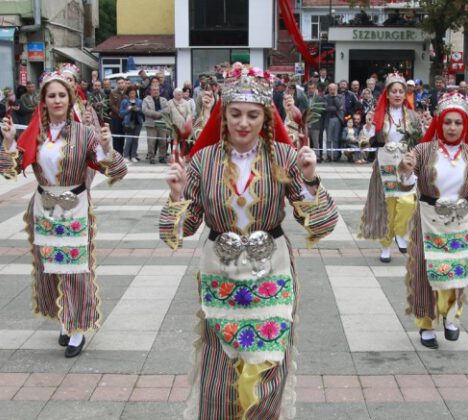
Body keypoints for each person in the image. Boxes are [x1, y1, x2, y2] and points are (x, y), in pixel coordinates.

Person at [160, 63, 337, 419]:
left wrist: (311, 179)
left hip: (271, 268)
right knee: (218, 367)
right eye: (236, 114)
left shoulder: (284, 158)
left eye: (252, 115)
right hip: (219, 271)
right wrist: (177, 196)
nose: (243, 123)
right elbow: (180, 231)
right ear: (223, 118)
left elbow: (321, 223)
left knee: (270, 364)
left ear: (266, 118)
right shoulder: (203, 162)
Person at [0, 71, 128, 357]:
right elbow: (8, 169)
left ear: (71, 100)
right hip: (43, 209)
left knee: (76, 268)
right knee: (52, 268)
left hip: (74, 209)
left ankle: (77, 327)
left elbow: (114, 170)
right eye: (51, 96)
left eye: (62, 95)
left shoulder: (84, 134)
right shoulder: (35, 133)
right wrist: (8, 142)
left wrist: (107, 148)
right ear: (43, 101)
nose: (57, 100)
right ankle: (65, 318)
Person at [398, 92, 468, 349]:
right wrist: (405, 171)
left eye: (458, 123)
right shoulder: (423, 150)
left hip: (461, 221)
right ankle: (427, 324)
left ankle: (451, 317)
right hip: (428, 219)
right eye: (447, 122)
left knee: (455, 272)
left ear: (465, 125)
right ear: (439, 123)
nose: (452, 127)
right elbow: (405, 185)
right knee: (427, 273)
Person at [360, 72, 430, 263]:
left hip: (406, 162)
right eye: (394, 91)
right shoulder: (379, 115)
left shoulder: (413, 116)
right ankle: (385, 247)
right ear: (388, 95)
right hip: (385, 163)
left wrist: (427, 124)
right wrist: (367, 128)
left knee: (407, 201)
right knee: (388, 207)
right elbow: (365, 140)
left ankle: (401, 233)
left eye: (401, 91)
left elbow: (423, 139)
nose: (398, 94)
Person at [142, 84, 168, 164]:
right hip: (151, 124)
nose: (156, 91)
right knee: (151, 141)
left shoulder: (164, 99)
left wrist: (160, 113)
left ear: (159, 91)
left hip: (162, 123)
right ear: (150, 91)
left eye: (157, 90)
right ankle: (151, 157)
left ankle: (162, 157)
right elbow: (144, 110)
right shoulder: (146, 100)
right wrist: (154, 113)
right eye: (154, 90)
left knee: (163, 141)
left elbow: (167, 109)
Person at [119, 85, 144, 162]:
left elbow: (143, 112)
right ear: (128, 94)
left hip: (138, 123)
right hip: (128, 123)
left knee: (135, 140)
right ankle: (126, 156)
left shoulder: (139, 101)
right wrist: (128, 109)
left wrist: (138, 110)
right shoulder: (124, 101)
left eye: (134, 93)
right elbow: (121, 113)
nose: (132, 95)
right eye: (131, 93)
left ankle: (133, 155)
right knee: (129, 140)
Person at [324, 83, 345, 162]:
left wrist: (335, 97)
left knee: (336, 139)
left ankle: (335, 156)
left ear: (336, 89)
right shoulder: (325, 97)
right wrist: (336, 108)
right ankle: (329, 155)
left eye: (334, 89)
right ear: (328, 89)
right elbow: (325, 108)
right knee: (329, 139)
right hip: (329, 119)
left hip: (337, 119)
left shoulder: (340, 97)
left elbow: (341, 106)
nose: (332, 91)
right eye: (331, 89)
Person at [109, 78, 127, 154]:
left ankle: (121, 153)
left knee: (122, 137)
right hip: (115, 118)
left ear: (124, 83)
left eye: (122, 83)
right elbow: (111, 105)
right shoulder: (113, 93)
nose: (120, 84)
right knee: (116, 137)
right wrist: (119, 112)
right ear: (117, 84)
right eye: (119, 83)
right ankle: (116, 154)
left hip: (124, 119)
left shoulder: (127, 92)